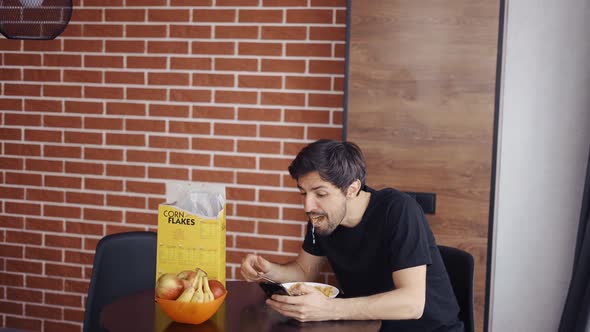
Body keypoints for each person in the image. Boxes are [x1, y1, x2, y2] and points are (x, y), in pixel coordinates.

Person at [240, 139, 464, 332]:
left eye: (320, 193)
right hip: (371, 328)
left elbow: (412, 303)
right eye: (303, 193)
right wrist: (268, 270)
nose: (308, 206)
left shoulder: (398, 210)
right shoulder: (323, 219)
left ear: (352, 189)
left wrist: (328, 309)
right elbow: (303, 271)